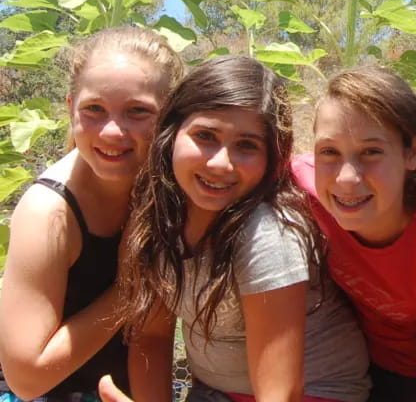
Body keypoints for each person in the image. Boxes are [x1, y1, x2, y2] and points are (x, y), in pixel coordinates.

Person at [116, 56, 370, 402]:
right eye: (205, 136)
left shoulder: (268, 235)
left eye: (247, 145)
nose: (221, 163)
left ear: (272, 158)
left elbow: (281, 394)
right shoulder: (156, 216)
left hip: (316, 393)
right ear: (171, 132)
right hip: (217, 391)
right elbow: (151, 336)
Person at [292, 67, 416, 402]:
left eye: (371, 152)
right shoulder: (305, 183)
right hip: (351, 362)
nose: (346, 178)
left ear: (412, 152)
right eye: (329, 152)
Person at [0, 27, 184, 401]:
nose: (113, 131)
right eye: (94, 109)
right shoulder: (48, 213)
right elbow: (26, 379)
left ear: (170, 116)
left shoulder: (165, 192)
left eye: (138, 111)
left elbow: (152, 336)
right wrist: (131, 288)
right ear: (71, 108)